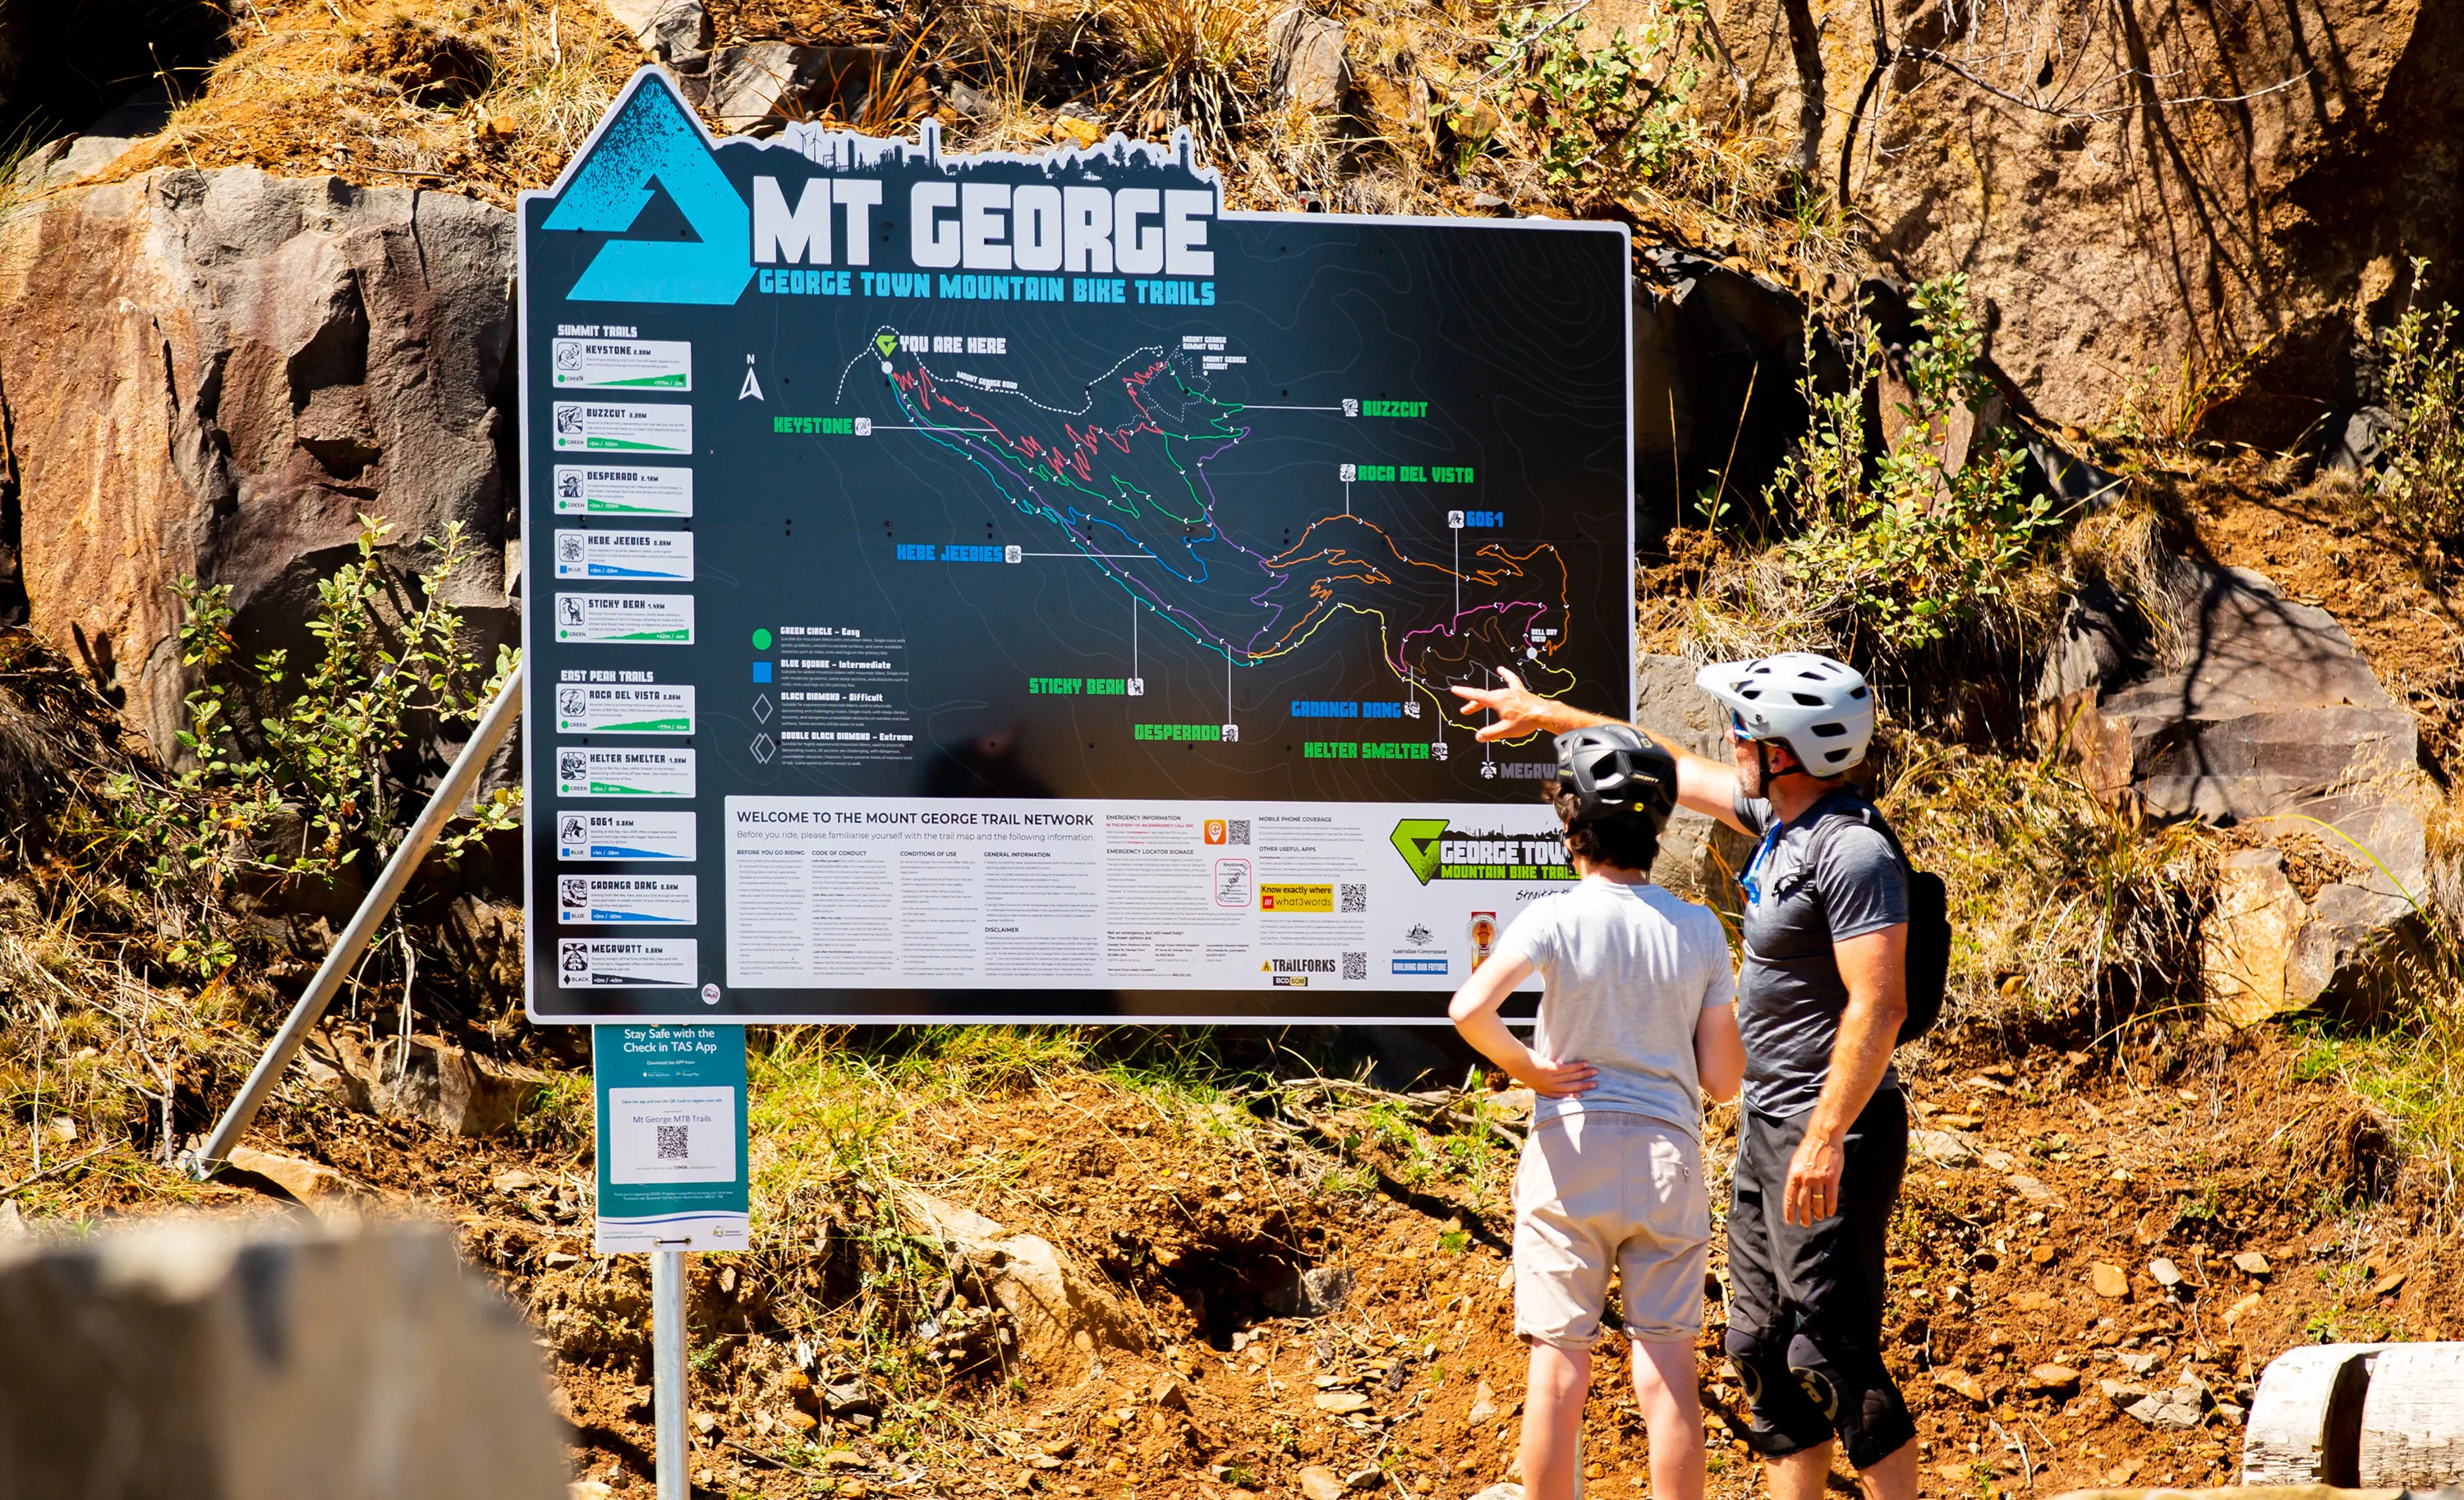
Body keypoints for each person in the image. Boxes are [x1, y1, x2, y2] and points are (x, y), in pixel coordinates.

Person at [1452, 653, 1918, 1500]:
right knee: (1763, 1349)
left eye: (1743, 728)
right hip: (1768, 1124)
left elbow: (1880, 1005)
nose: (1727, 739)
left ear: (1783, 749)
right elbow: (1663, 761)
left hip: (1830, 1130)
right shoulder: (1777, 818)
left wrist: (1822, 1136)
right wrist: (1549, 712)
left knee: (1832, 1347)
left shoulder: (1852, 849)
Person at [1449, 725, 1746, 1500]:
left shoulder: (1552, 916)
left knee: (1559, 1367)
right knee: (1668, 1373)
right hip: (1667, 1164)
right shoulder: (1699, 928)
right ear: (1658, 827)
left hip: (1569, 1153)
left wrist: (1531, 1070)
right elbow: (1722, 1079)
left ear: (1569, 821)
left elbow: (1469, 1009)